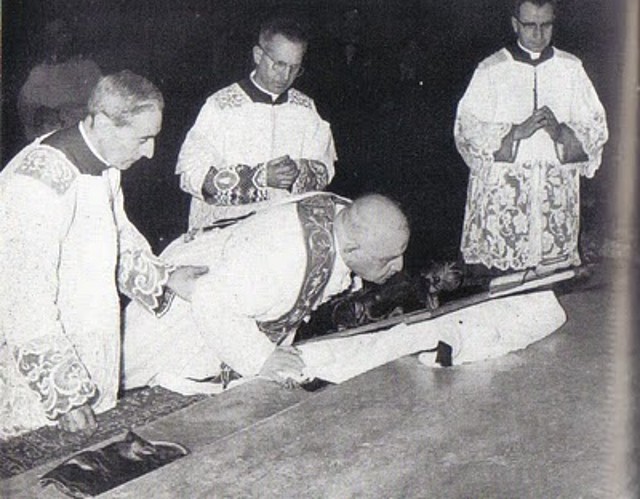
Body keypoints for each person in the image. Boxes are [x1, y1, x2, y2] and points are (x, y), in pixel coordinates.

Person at [123, 192, 567, 396]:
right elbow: (211, 296)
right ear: (352, 248)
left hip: (240, 286)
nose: (397, 269)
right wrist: (260, 358)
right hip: (184, 310)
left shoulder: (342, 219)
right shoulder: (281, 262)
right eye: (388, 260)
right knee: (135, 373)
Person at [0, 71, 208, 439]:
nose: (150, 152)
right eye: (143, 138)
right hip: (45, 371)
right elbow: (22, 297)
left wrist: (165, 278)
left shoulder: (104, 166)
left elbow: (117, 237)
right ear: (102, 122)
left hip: (92, 338)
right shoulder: (38, 184)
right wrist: (62, 391)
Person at [454, 0, 608, 273]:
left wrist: (562, 132)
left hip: (553, 194)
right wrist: (514, 133)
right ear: (515, 25)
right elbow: (466, 130)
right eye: (530, 25)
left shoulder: (571, 68)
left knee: (550, 280)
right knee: (504, 282)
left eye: (545, 25)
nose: (538, 34)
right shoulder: (491, 69)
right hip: (505, 194)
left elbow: (596, 128)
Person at [176, 16, 337, 230]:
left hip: (283, 228)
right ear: (258, 55)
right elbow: (191, 174)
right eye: (279, 65)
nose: (285, 76)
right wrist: (258, 179)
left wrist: (297, 173)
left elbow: (325, 169)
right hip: (227, 228)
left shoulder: (305, 110)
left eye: (294, 68)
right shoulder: (221, 106)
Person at [18, 18, 103, 142]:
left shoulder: (89, 68)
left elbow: (100, 104)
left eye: (61, 34)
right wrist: (38, 112)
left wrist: (65, 115)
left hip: (83, 135)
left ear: (70, 36)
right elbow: (25, 106)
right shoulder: (39, 72)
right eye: (50, 36)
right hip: (50, 137)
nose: (56, 41)